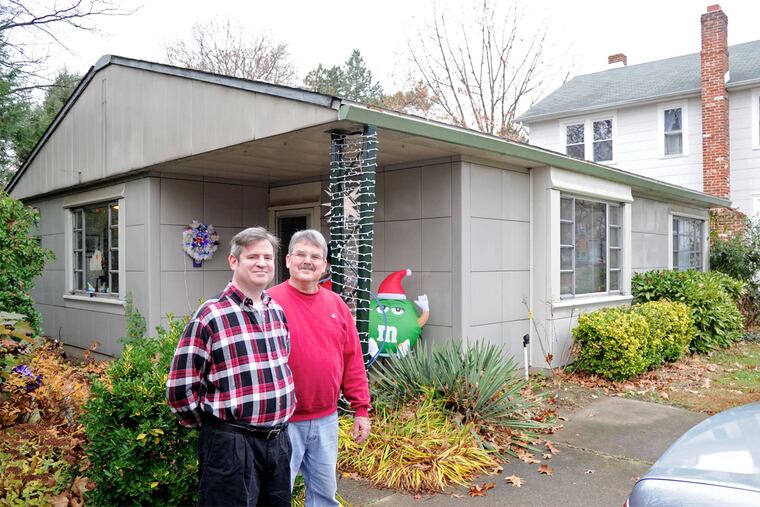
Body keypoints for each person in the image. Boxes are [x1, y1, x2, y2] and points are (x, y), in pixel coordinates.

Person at [166, 226, 295, 507]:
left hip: (279, 443)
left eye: (267, 257)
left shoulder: (277, 312)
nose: (262, 263)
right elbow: (179, 388)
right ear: (234, 261)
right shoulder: (210, 315)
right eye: (252, 257)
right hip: (232, 447)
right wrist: (217, 428)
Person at [268, 229, 371, 507]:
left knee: (324, 496)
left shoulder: (336, 304)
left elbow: (352, 360)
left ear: (324, 266)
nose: (307, 261)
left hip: (326, 419)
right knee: (275, 497)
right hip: (281, 423)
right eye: (300, 254)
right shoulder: (268, 303)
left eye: (315, 256)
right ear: (288, 260)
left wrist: (361, 408)